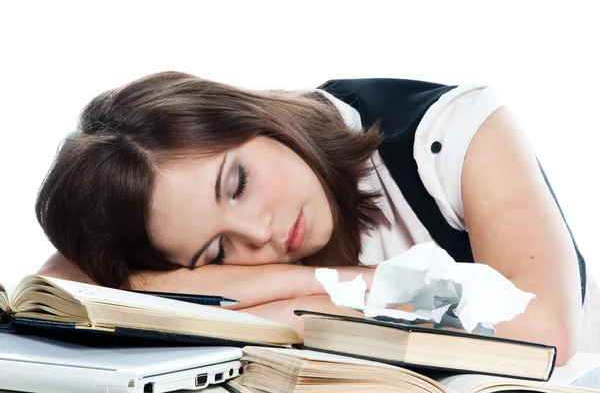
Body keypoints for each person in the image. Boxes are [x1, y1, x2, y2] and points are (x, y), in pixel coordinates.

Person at [35, 72, 598, 366]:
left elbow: (544, 331)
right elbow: (52, 290)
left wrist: (305, 306)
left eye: (238, 184)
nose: (260, 234)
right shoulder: (263, 235)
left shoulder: (453, 129)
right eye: (218, 255)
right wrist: (311, 285)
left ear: (250, 116)